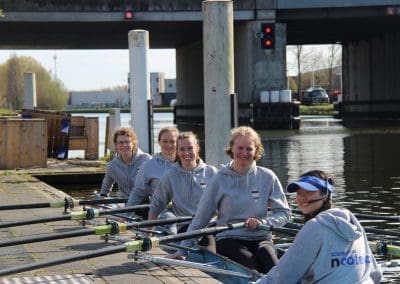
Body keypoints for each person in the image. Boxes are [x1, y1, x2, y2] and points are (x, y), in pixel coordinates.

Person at [171, 126, 290, 274]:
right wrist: (183, 250)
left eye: (249, 149)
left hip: (261, 237)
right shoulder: (219, 179)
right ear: (232, 148)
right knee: (251, 266)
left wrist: (264, 222)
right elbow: (201, 218)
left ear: (256, 151)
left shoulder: (267, 177)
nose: (244, 153)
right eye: (240, 148)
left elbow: (284, 213)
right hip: (229, 238)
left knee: (270, 262)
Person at [256, 170, 382, 284]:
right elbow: (376, 274)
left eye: (309, 191)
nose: (301, 198)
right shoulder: (352, 221)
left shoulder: (314, 227)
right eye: (299, 193)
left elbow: (283, 276)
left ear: (325, 194)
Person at [148, 131, 218, 234]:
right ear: (177, 152)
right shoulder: (171, 175)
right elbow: (157, 204)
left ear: (197, 148)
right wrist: (149, 232)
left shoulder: (211, 172)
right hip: (186, 226)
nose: (186, 153)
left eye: (190, 148)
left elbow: (226, 201)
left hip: (211, 224)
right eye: (182, 149)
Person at [126, 127, 179, 211]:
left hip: (187, 212)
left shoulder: (187, 163)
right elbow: (138, 193)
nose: (169, 145)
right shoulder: (148, 165)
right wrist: (125, 215)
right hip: (163, 213)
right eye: (165, 141)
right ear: (159, 142)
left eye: (172, 141)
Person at [99, 127, 151, 198]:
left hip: (146, 201)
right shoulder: (112, 166)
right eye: (120, 142)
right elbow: (106, 184)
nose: (124, 145)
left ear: (133, 143)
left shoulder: (146, 159)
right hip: (126, 202)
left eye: (127, 142)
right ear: (116, 145)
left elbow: (156, 182)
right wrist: (102, 198)